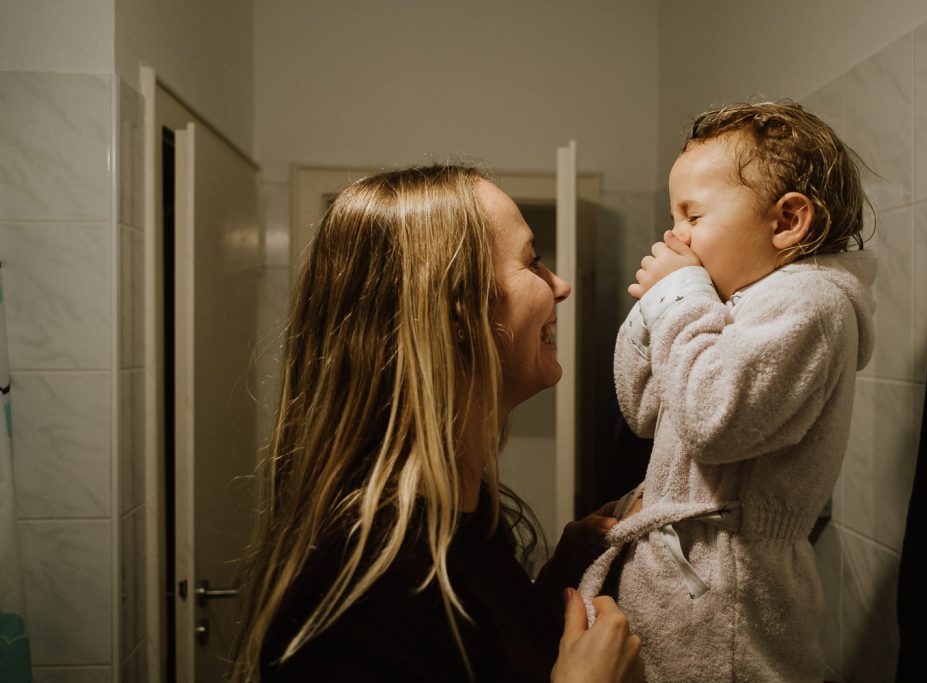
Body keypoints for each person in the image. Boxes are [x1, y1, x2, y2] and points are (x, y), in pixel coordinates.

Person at [229, 164, 643, 682]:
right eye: (531, 262)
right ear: (454, 312)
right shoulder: (366, 578)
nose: (558, 285)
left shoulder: (466, 519)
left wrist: (560, 580)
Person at [577, 101, 876, 682]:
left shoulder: (811, 302)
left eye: (692, 215)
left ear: (788, 222)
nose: (674, 234)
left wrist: (681, 298)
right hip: (685, 575)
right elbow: (644, 411)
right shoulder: (727, 304)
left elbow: (714, 419)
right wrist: (652, 316)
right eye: (673, 216)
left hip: (729, 596)